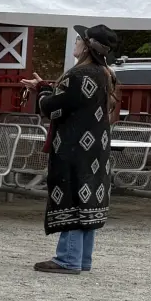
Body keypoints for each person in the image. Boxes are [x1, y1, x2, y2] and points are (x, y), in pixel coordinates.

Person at [25, 25, 119, 274]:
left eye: (79, 39)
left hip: (74, 145)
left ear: (87, 46)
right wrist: (47, 87)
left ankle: (68, 258)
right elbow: (75, 102)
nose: (75, 42)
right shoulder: (104, 73)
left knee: (73, 193)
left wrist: (43, 91)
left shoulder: (78, 75)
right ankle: (82, 257)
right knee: (87, 195)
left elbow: (53, 108)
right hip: (96, 148)